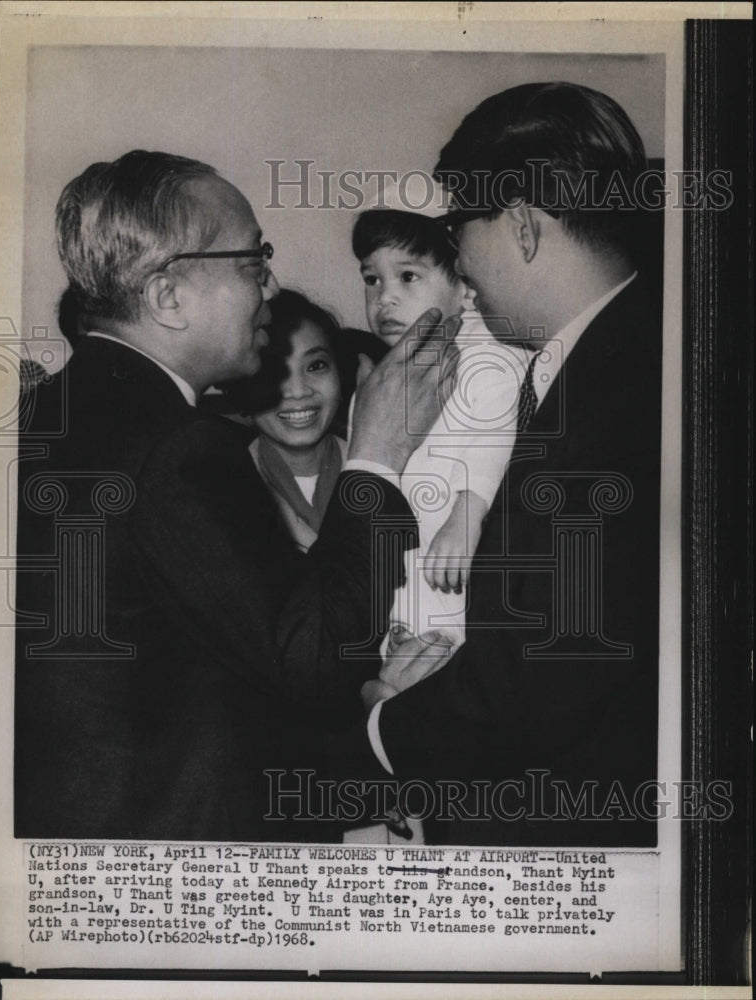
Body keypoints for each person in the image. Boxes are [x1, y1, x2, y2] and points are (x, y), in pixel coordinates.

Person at [13, 150, 458, 841]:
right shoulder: (177, 449)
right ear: (167, 295)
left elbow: (199, 675)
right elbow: (310, 659)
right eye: (254, 264)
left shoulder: (56, 410)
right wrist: (374, 457)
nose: (271, 287)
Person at [361, 82, 663, 846]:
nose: (457, 256)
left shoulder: (621, 390)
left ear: (523, 226)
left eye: (462, 224)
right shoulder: (617, 358)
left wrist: (391, 718)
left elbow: (558, 671)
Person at [352, 204, 527, 652]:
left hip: (465, 564)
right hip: (403, 579)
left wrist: (466, 515)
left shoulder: (491, 355)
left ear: (464, 287)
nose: (384, 297)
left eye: (407, 277)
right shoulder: (378, 384)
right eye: (372, 279)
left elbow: (496, 431)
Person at [246, 289, 347, 553]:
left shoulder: (385, 473)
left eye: (316, 366)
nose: (299, 391)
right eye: (273, 371)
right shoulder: (222, 490)